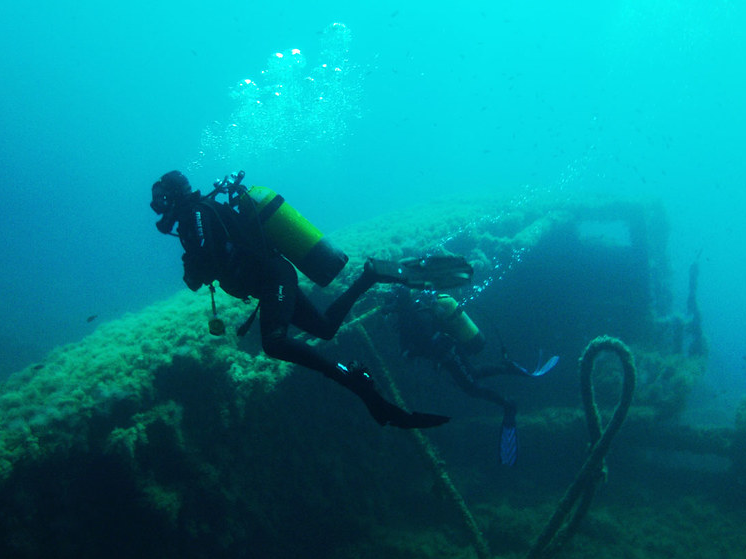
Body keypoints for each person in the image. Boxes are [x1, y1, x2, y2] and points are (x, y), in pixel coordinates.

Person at [150, 169, 473, 430]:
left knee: (274, 342)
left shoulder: (194, 214)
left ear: (174, 194)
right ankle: (370, 275)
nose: (159, 204)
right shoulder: (198, 213)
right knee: (325, 328)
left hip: (272, 278)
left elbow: (208, 259)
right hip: (270, 280)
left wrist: (192, 269)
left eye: (162, 197)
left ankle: (357, 384)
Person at [387, 287, 558, 464]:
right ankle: (507, 367)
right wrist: (409, 351)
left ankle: (508, 404)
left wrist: (413, 352)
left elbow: (428, 342)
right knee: (474, 373)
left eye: (392, 300)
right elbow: (412, 343)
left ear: (400, 301)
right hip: (446, 355)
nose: (389, 305)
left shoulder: (418, 316)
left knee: (472, 388)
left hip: (450, 354)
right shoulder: (408, 316)